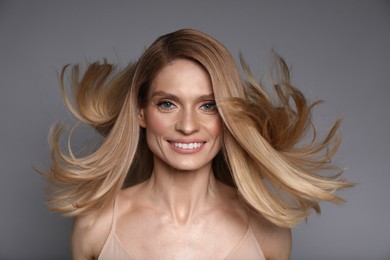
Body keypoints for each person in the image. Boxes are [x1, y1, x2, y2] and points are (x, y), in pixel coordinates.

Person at [44, 28, 352, 259]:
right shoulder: (96, 226)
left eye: (208, 106)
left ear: (229, 117)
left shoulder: (267, 230)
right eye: (167, 104)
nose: (188, 126)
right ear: (140, 112)